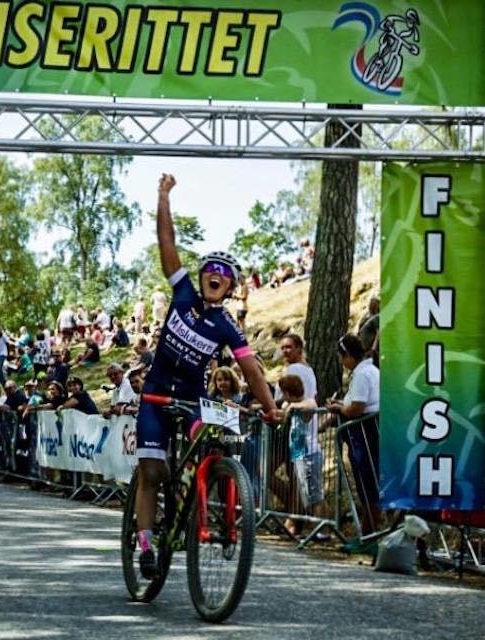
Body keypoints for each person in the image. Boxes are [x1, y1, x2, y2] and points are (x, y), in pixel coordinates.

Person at [133, 173, 277, 580]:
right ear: (202, 276)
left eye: (225, 272)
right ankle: (145, 541)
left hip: (193, 399)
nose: (216, 274)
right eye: (211, 268)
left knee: (212, 440)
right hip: (156, 397)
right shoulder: (182, 294)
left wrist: (270, 408)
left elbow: (250, 369)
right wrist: (162, 195)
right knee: (152, 472)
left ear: (231, 286)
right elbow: (167, 243)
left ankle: (204, 496)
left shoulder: (228, 325)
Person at [326, 333, 381, 535]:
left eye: (342, 358)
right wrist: (342, 405)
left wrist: (340, 409)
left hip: (365, 434)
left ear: (348, 355)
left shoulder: (362, 374)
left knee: (367, 483)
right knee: (367, 483)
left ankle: (370, 531)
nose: (343, 363)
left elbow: (357, 407)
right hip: (366, 433)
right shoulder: (371, 371)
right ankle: (369, 530)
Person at [276, 374, 323, 537]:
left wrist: (291, 407)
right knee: (303, 492)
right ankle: (299, 526)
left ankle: (320, 529)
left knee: (314, 494)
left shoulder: (307, 402)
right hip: (298, 455)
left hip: (309, 454)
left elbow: (311, 405)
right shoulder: (290, 405)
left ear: (288, 392)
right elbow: (280, 412)